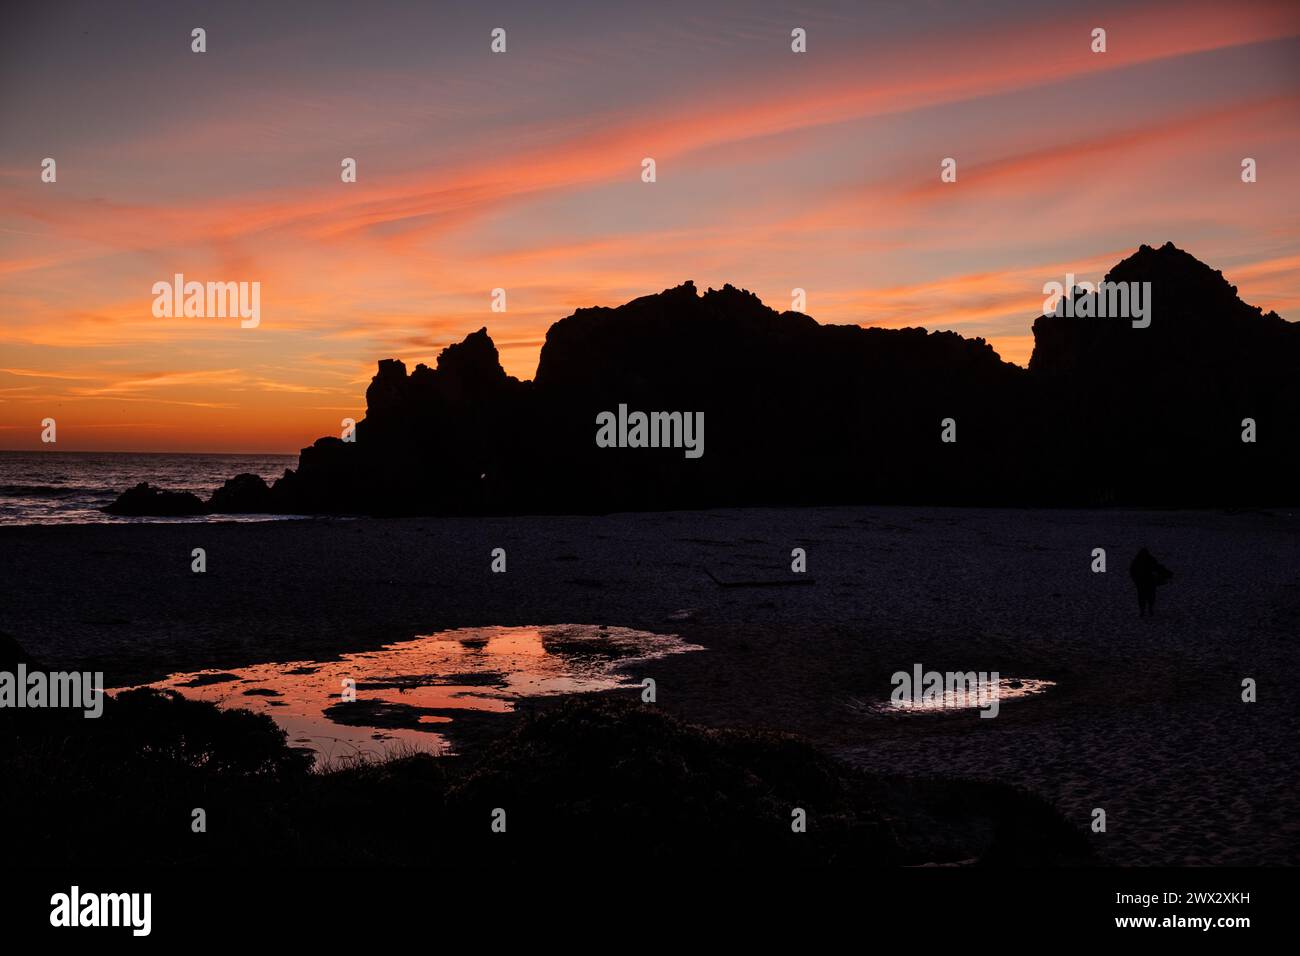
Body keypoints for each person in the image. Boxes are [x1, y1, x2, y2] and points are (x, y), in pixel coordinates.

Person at [1129, 547, 1172, 617]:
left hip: (1143, 582)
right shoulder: (1150, 560)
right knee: (1149, 596)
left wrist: (1135, 580)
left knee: (1143, 597)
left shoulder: (1137, 561)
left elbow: (1132, 571)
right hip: (1148, 581)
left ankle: (1145, 610)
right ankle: (1148, 609)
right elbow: (1158, 568)